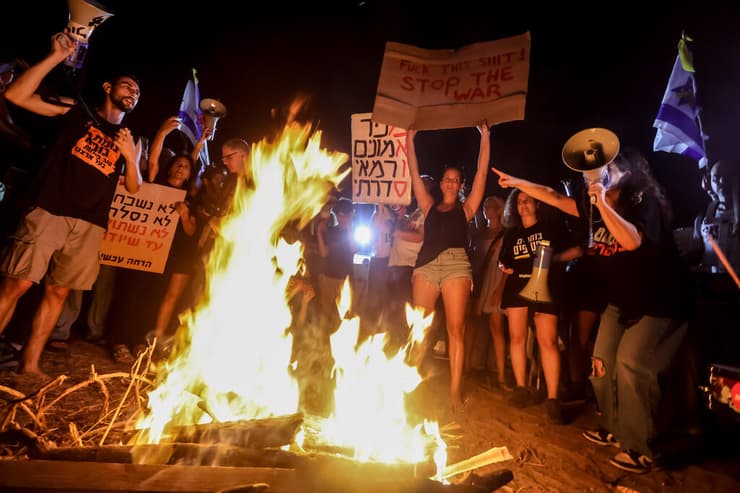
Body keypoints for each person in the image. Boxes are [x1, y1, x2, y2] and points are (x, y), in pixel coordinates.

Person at [492, 145, 692, 472]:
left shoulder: (644, 203)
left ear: (628, 171)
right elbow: (552, 197)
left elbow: (631, 241)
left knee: (630, 365)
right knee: (600, 363)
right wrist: (519, 183)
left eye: (609, 166)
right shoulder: (592, 204)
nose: (600, 171)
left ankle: (641, 447)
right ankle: (615, 428)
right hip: (622, 300)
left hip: (660, 299)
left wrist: (601, 204)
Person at [0, 33, 142, 376]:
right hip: (50, 209)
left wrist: (129, 156)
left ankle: (30, 363)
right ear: (108, 88)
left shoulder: (128, 139)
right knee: (17, 282)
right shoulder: (76, 111)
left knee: (59, 292)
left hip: (90, 223)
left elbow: (135, 188)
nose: (132, 94)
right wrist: (54, 57)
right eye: (126, 87)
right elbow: (16, 95)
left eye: (137, 93)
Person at [406, 123, 490, 412]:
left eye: (456, 180)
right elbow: (414, 174)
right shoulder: (428, 206)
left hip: (456, 265)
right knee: (420, 328)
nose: (451, 183)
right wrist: (408, 139)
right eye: (447, 179)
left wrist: (485, 137)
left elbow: (481, 174)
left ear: (460, 185)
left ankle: (455, 391)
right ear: (441, 183)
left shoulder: (466, 209)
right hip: (426, 265)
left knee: (456, 329)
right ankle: (410, 385)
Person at [497, 189, 581, 424]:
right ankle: (521, 388)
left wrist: (554, 259)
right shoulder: (512, 233)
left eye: (527, 201)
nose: (523, 205)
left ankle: (553, 399)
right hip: (517, 290)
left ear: (537, 204)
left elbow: (578, 248)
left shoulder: (551, 229)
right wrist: (506, 267)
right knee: (516, 337)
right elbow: (504, 260)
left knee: (547, 341)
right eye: (519, 202)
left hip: (546, 289)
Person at [466, 195, 510, 391]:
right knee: (472, 324)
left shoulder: (506, 233)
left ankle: (501, 376)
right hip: (479, 280)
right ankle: (467, 366)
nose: (486, 209)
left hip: (495, 279)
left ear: (500, 210)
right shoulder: (480, 233)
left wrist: (500, 288)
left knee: (496, 326)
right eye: (485, 206)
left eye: (491, 206)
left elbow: (508, 263)